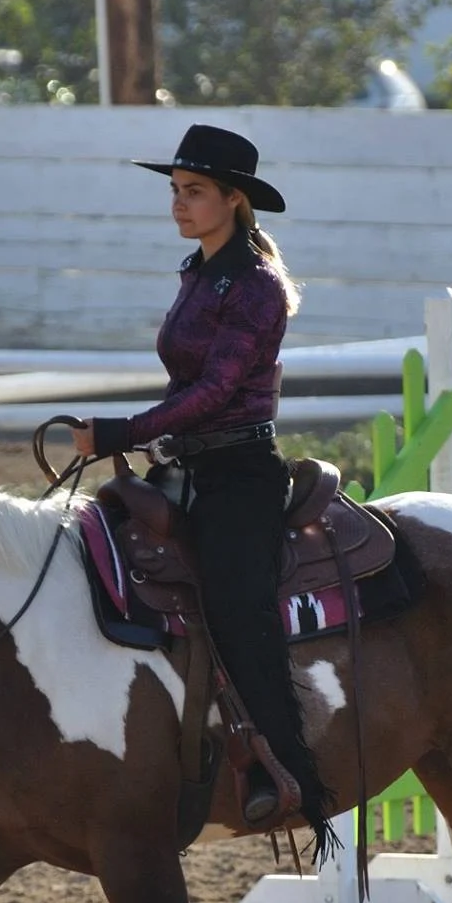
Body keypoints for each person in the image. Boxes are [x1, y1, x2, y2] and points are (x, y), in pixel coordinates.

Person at [68, 124, 337, 860]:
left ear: (233, 200)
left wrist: (123, 431)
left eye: (194, 193)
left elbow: (218, 391)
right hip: (188, 465)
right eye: (175, 192)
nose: (179, 205)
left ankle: (291, 778)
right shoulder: (200, 271)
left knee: (234, 608)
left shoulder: (256, 286)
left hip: (241, 479)